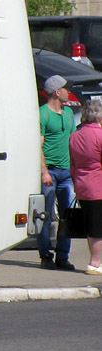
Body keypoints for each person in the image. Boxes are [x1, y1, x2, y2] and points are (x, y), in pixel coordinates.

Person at [39, 74, 77, 271]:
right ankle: (46, 255)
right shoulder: (42, 114)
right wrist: (44, 172)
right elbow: (39, 146)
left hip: (67, 172)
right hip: (50, 172)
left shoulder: (68, 113)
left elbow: (73, 142)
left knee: (67, 215)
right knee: (45, 214)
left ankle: (63, 256)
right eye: (65, 88)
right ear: (56, 92)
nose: (68, 91)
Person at [69, 98, 102, 276]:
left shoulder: (75, 136)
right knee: (97, 227)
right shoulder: (100, 135)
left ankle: (95, 261)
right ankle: (95, 263)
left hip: (82, 185)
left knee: (92, 225)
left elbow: (73, 165)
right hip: (98, 186)